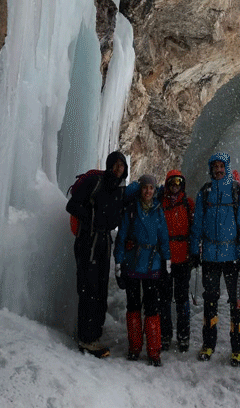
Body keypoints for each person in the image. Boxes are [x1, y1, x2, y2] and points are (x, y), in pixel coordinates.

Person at [65, 150, 130, 358]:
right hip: (88, 240)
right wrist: (93, 219)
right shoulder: (95, 182)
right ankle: (86, 338)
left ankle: (93, 335)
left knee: (100, 289)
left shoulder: (119, 189)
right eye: (116, 164)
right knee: (88, 288)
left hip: (103, 242)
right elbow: (72, 205)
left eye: (122, 166)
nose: (119, 169)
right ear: (110, 165)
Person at [190, 152, 240, 366]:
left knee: (236, 303)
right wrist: (193, 250)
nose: (218, 170)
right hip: (209, 256)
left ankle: (237, 349)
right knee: (210, 301)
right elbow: (197, 223)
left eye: (221, 166)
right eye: (215, 167)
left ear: (227, 167)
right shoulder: (205, 193)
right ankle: (208, 345)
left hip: (232, 256)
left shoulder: (238, 192)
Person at [114, 174, 171, 366]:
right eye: (146, 187)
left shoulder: (157, 211)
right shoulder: (131, 210)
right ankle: (135, 347)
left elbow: (163, 237)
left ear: (155, 191)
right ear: (141, 189)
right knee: (134, 306)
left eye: (151, 188)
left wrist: (167, 261)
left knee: (152, 308)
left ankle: (154, 351)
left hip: (152, 265)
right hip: (133, 263)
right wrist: (118, 263)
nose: (148, 191)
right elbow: (121, 238)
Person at [158, 169, 195, 352]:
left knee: (181, 300)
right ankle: (165, 335)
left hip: (182, 259)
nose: (175, 187)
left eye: (178, 183)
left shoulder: (188, 204)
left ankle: (183, 335)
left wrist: (195, 252)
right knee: (165, 299)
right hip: (165, 258)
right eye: (172, 183)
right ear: (167, 185)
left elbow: (196, 228)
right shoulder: (161, 203)